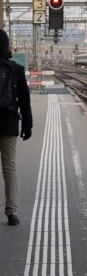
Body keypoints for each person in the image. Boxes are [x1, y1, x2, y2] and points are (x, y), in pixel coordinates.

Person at [0, 29, 32, 226]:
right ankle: (11, 212)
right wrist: (27, 125)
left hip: (8, 122)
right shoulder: (15, 69)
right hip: (9, 122)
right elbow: (25, 100)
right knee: (9, 167)